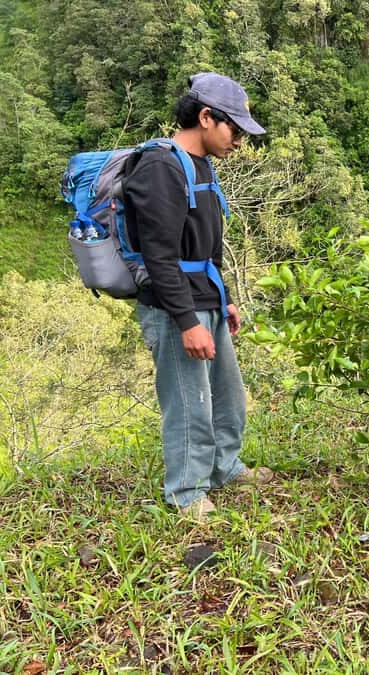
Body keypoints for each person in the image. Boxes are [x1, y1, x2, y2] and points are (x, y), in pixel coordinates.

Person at [123, 73, 271, 520]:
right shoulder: (159, 169)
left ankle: (224, 466)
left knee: (226, 394)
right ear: (206, 117)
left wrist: (223, 297)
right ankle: (187, 492)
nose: (240, 141)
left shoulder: (200, 164)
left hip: (205, 299)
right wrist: (187, 321)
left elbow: (206, 243)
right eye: (235, 129)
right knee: (189, 403)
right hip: (174, 308)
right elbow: (161, 257)